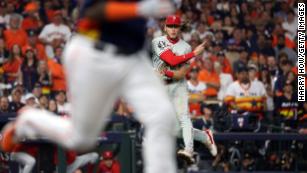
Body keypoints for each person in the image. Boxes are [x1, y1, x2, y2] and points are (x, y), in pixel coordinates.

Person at [1, 1, 177, 173]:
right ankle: (30, 119)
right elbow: (94, 10)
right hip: (95, 54)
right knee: (80, 140)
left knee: (162, 115)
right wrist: (140, 8)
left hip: (134, 57)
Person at [152, 15, 217, 164]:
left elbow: (181, 73)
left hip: (178, 85)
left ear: (180, 28)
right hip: (161, 88)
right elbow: (172, 60)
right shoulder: (158, 42)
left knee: (184, 117)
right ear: (165, 27)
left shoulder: (185, 47)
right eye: (170, 26)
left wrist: (164, 71)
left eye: (176, 26)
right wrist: (194, 54)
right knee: (173, 131)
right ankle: (204, 136)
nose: (173, 29)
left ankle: (189, 150)